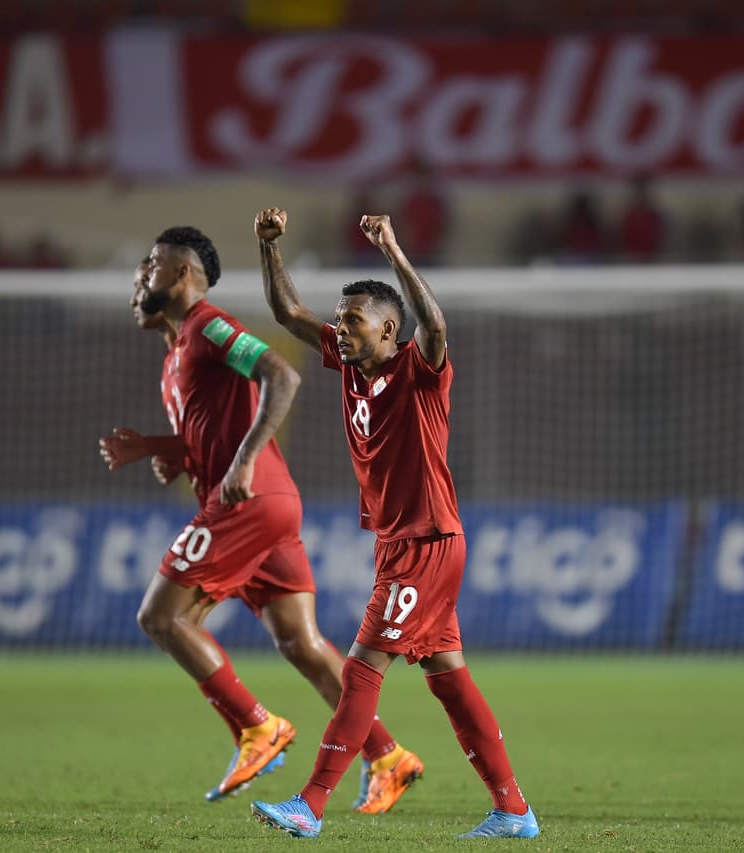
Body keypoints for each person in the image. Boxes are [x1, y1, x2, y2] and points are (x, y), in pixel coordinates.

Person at [99, 232, 423, 810]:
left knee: (161, 616)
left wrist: (245, 459)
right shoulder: (175, 356)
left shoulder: (210, 328)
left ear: (181, 274)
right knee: (301, 642)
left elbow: (283, 374)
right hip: (268, 506)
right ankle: (388, 756)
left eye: (150, 265)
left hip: (249, 501)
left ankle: (256, 727)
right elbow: (210, 438)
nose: (139, 278)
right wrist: (160, 448)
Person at [249, 208, 539, 839]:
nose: (340, 328)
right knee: (450, 680)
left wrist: (394, 253)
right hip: (402, 542)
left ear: (388, 331)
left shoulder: (420, 371)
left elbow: (435, 324)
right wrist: (269, 248)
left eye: (352, 320)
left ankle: (310, 804)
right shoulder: (354, 366)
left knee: (360, 669)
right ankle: (513, 809)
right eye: (341, 318)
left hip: (427, 542)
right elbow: (286, 315)